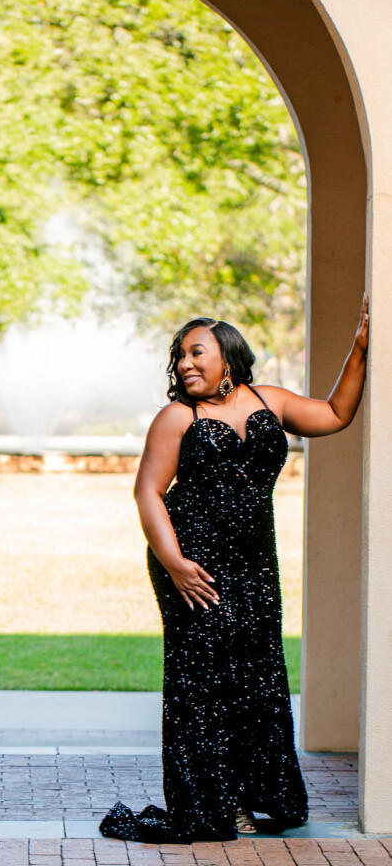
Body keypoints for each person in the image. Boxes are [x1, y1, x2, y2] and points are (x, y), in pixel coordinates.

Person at [100, 296, 369, 843]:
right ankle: (214, 803)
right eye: (178, 357)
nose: (184, 364)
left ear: (229, 356)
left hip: (254, 564)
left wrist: (361, 347)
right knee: (201, 681)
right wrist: (174, 563)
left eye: (195, 352)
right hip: (191, 563)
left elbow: (337, 414)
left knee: (256, 674)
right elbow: (147, 493)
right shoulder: (178, 417)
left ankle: (255, 795)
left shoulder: (269, 402)